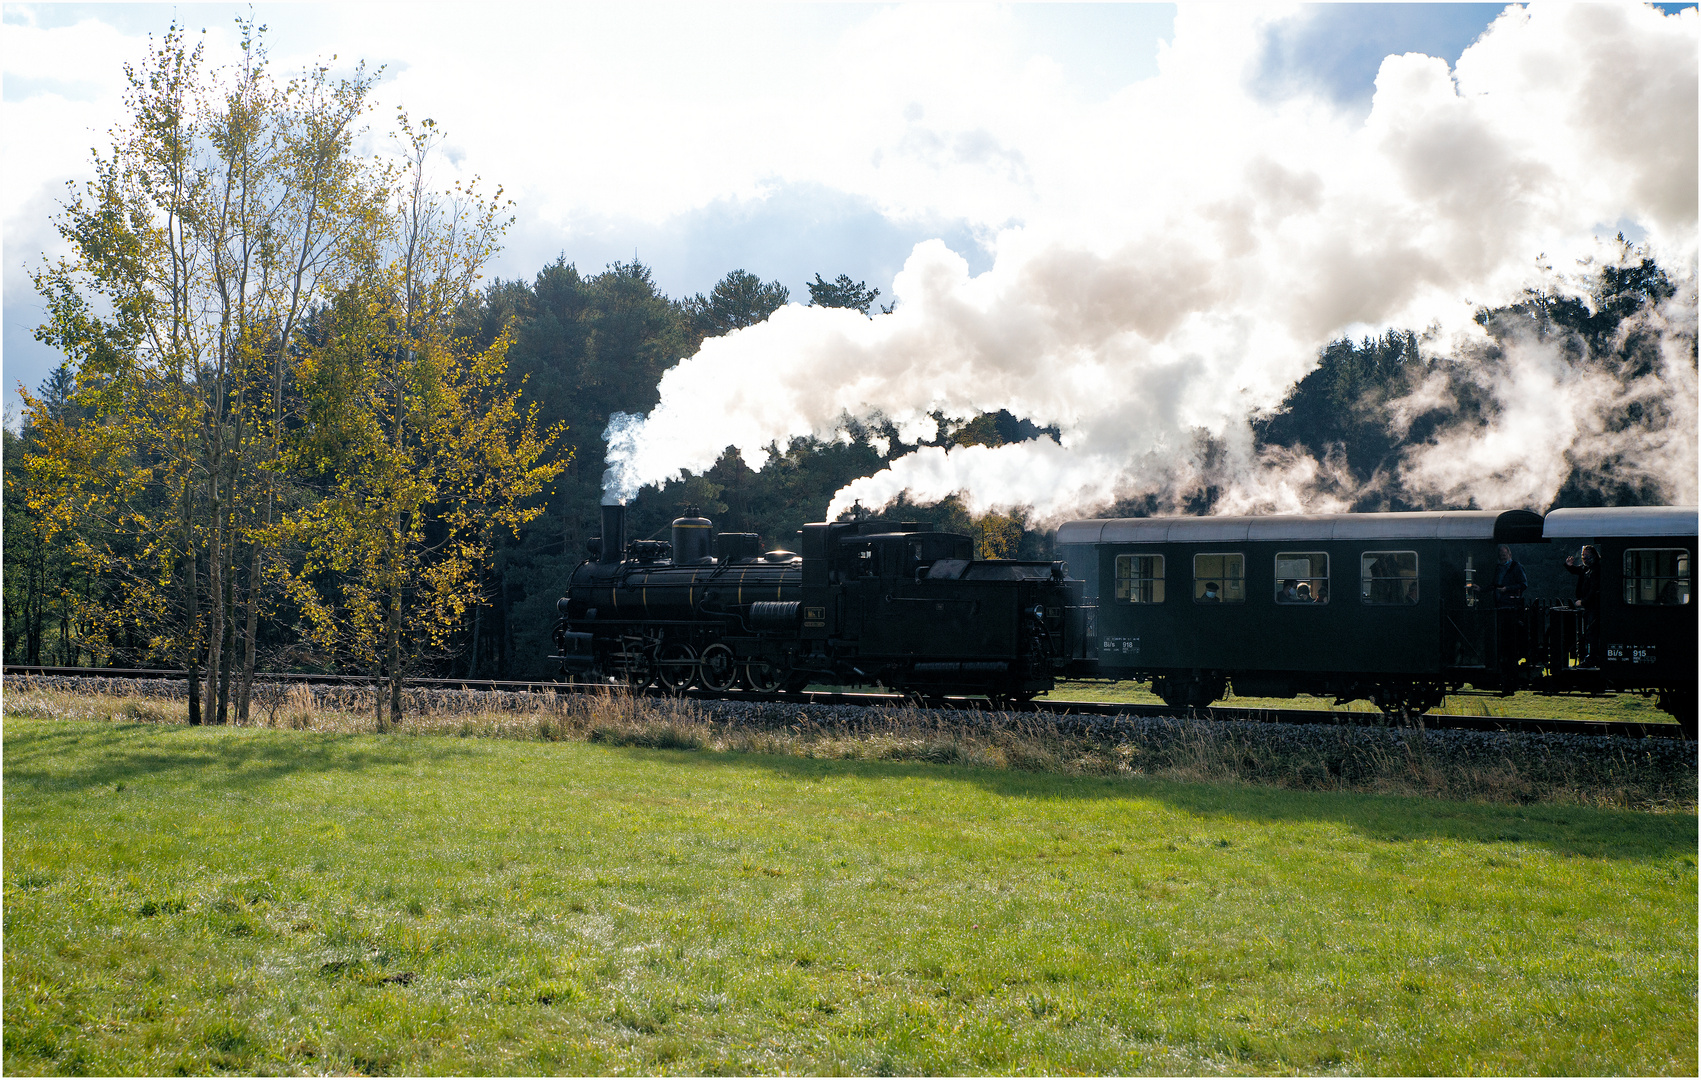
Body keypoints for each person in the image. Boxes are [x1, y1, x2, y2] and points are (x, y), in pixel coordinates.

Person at [1565, 545, 1601, 664]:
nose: (1584, 559)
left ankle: (1593, 656)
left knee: (1592, 631)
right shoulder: (1586, 568)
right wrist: (1569, 566)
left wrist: (1584, 601)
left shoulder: (1596, 570)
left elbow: (1594, 588)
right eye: (1583, 556)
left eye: (1587, 556)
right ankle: (1589, 655)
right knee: (1588, 631)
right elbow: (1577, 570)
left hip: (1594, 605)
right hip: (1589, 605)